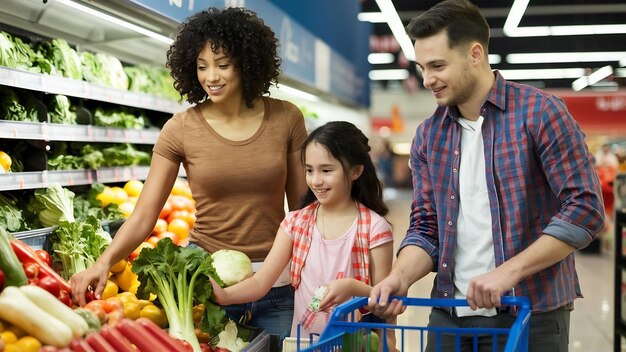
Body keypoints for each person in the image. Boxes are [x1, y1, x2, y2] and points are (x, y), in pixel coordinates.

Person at [367, 1, 605, 351]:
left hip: (531, 311)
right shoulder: (429, 136)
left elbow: (584, 209)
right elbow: (426, 226)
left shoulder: (540, 114)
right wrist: (400, 277)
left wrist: (507, 273)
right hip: (449, 313)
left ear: (475, 54)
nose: (426, 79)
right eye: (422, 67)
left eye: (437, 66)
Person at [70, 6, 309, 345]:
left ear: (247, 62)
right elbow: (144, 215)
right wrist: (104, 261)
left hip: (275, 282)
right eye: (202, 66)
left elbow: (302, 210)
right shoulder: (180, 129)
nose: (211, 76)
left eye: (223, 64)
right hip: (207, 283)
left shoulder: (286, 118)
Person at [210, 121, 394, 341]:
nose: (315, 181)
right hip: (303, 343)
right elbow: (261, 282)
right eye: (309, 170)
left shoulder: (374, 228)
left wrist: (353, 288)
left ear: (355, 171)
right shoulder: (296, 222)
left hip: (355, 344)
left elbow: (386, 299)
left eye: (326, 170)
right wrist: (224, 296)